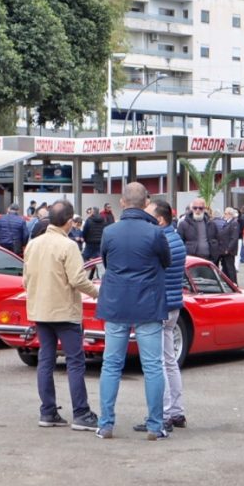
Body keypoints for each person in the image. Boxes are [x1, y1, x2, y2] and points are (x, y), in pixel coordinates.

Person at [95, 182, 171, 440]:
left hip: (116, 302)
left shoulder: (110, 232)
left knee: (111, 365)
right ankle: (154, 425)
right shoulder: (155, 233)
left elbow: (106, 261)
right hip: (148, 303)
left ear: (122, 202)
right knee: (152, 366)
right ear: (146, 202)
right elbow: (166, 262)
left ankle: (105, 424)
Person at [23, 200, 99, 430]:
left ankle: (47, 411)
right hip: (65, 311)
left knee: (45, 360)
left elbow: (26, 279)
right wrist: (97, 293)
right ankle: (81, 412)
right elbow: (77, 279)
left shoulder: (33, 244)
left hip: (40, 309)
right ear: (69, 222)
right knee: (75, 362)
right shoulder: (68, 246)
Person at [134, 200, 187, 434]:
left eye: (148, 215)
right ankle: (175, 411)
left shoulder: (161, 240)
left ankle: (164, 413)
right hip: (173, 305)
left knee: (157, 364)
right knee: (169, 361)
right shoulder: (175, 238)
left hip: (159, 306)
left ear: (161, 220)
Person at [177, 198, 222, 264]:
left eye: (200, 208)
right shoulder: (183, 224)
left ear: (204, 209)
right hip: (191, 259)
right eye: (195, 208)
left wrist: (216, 255)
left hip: (209, 259)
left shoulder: (211, 224)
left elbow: (218, 239)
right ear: (192, 209)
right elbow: (179, 242)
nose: (197, 210)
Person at [218, 207, 241, 283]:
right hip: (224, 249)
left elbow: (234, 238)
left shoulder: (234, 223)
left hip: (229, 250)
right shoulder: (227, 222)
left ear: (230, 214)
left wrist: (228, 249)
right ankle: (227, 283)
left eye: (225, 213)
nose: (224, 215)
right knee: (225, 267)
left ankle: (234, 283)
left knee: (230, 268)